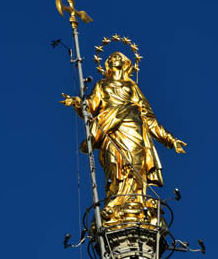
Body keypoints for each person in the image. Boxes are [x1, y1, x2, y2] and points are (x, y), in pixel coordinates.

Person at [61, 51, 186, 226]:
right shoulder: (102, 84)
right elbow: (89, 107)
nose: (114, 59)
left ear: (126, 63)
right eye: (111, 58)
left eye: (118, 57)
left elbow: (148, 118)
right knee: (114, 163)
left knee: (136, 163)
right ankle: (116, 200)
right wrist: (75, 102)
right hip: (110, 128)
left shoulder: (132, 87)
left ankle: (137, 201)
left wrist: (170, 140)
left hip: (134, 128)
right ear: (106, 64)